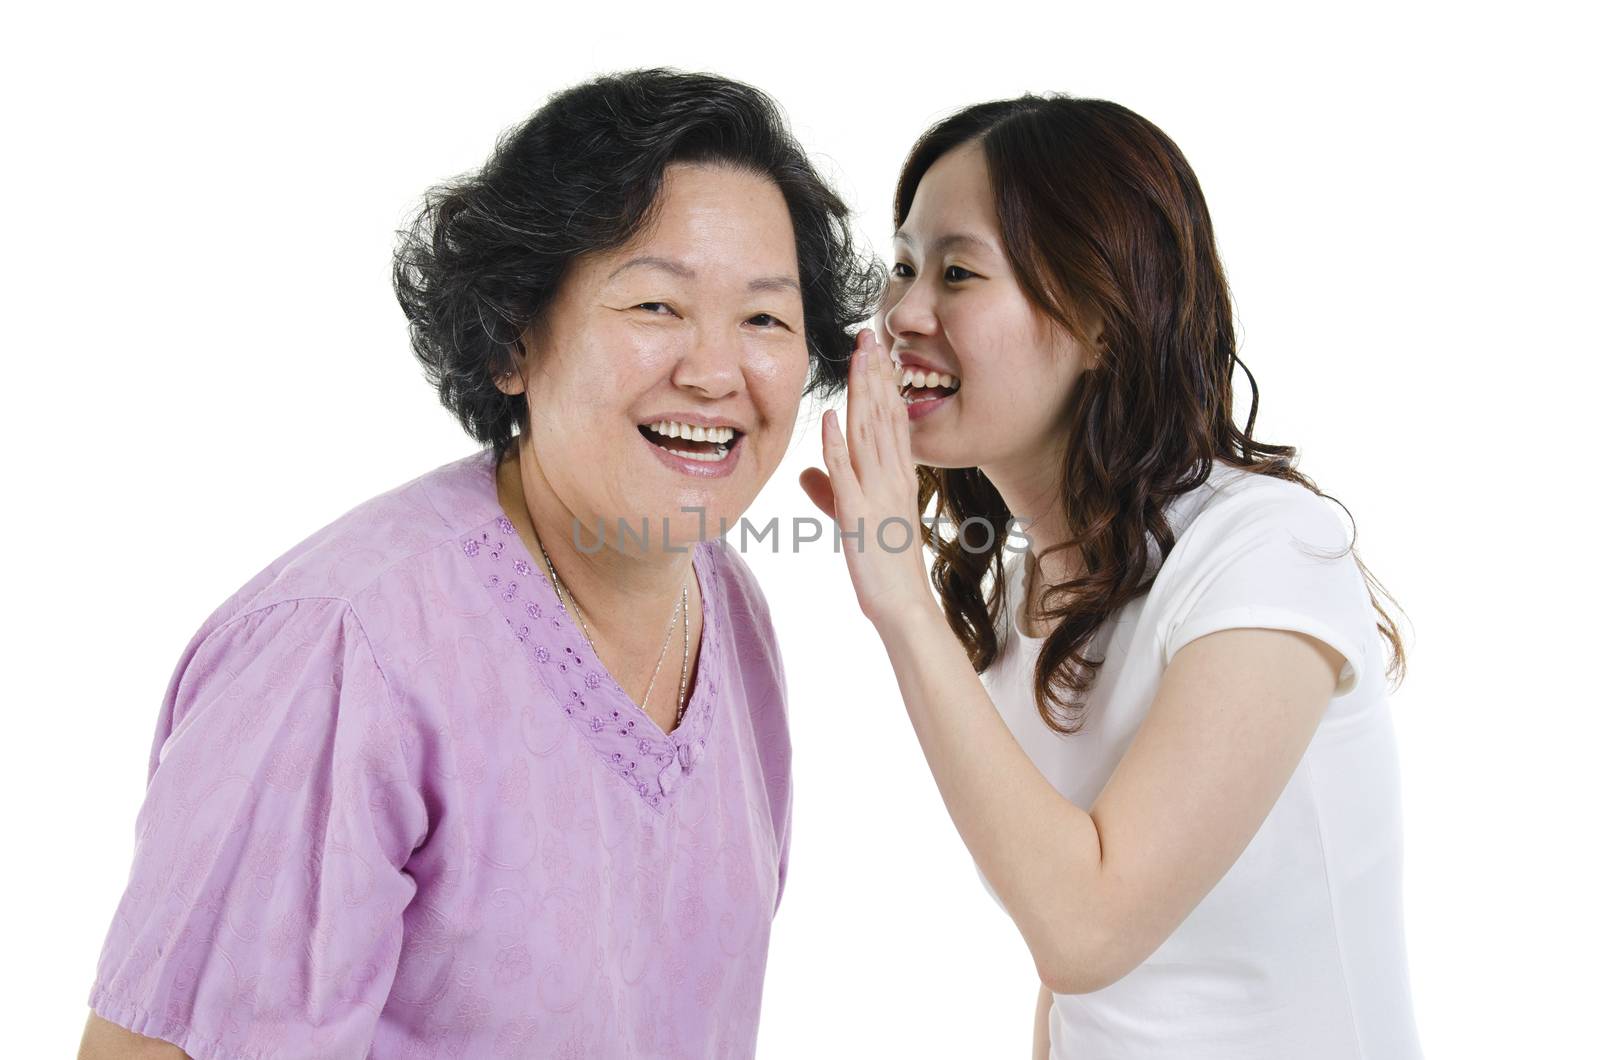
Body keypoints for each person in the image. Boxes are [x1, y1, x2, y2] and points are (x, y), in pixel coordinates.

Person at [79, 67, 879, 1058]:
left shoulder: (729, 606)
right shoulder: (343, 651)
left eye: (764, 318)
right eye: (656, 307)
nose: (715, 371)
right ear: (513, 339)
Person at [800, 94, 1423, 1058]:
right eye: (905, 266)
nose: (903, 313)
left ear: (1100, 320)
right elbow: (1077, 995)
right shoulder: (1018, 590)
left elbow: (1088, 928)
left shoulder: (1264, 549)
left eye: (958, 272)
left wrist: (900, 602)